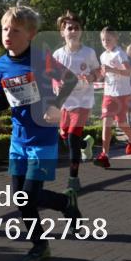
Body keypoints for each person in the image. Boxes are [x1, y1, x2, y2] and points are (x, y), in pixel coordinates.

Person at [0, 5, 82, 261]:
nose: (8, 35)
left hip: (43, 137)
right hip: (19, 138)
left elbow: (70, 79)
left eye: (15, 31)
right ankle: (43, 240)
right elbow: (4, 100)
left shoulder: (40, 58)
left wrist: (56, 105)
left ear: (31, 34)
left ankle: (62, 207)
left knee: (30, 195)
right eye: (5, 29)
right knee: (20, 198)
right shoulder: (1, 65)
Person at [50, 11, 100, 192]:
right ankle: (85, 144)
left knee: (72, 137)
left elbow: (98, 71)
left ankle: (73, 179)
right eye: (69, 28)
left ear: (81, 31)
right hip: (65, 102)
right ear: (62, 32)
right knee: (65, 137)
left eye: (76, 28)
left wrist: (92, 76)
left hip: (83, 101)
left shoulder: (88, 52)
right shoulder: (57, 54)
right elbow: (53, 76)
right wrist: (57, 84)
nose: (73, 31)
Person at [96, 28, 131, 168]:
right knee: (106, 122)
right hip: (109, 93)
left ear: (116, 39)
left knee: (121, 123)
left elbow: (128, 72)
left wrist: (111, 69)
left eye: (108, 39)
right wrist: (98, 77)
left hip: (122, 93)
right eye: (103, 40)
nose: (105, 42)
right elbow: (105, 74)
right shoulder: (103, 55)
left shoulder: (120, 53)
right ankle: (104, 155)